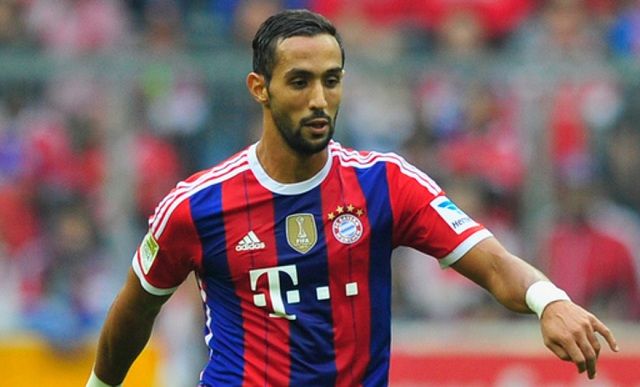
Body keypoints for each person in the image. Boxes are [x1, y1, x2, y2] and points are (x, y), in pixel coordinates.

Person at [86, 9, 618, 387]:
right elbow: (135, 311)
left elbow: (495, 265)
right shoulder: (196, 206)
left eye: (331, 80)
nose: (319, 100)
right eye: (299, 82)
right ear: (259, 87)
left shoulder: (384, 185)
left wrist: (550, 301)